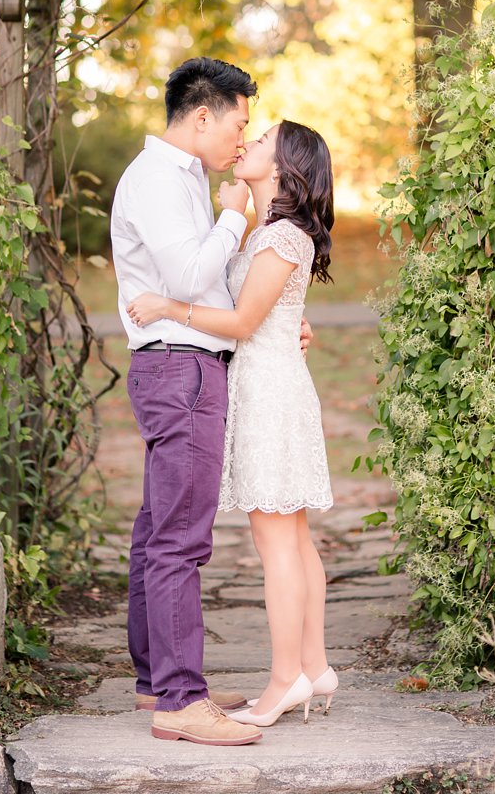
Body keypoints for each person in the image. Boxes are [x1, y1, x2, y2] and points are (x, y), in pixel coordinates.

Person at [129, 120, 338, 728]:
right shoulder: (275, 232)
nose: (247, 141)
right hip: (272, 383)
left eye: (262, 137)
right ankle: (315, 665)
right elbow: (268, 311)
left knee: (277, 544)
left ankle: (283, 681)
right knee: (294, 538)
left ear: (284, 166)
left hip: (270, 393)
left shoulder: (280, 237)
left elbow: (244, 321)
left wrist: (169, 306)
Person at [110, 57, 262, 747]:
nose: (242, 139)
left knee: (156, 527)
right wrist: (234, 218)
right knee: (179, 538)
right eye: (239, 123)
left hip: (177, 367)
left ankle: (156, 678)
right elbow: (189, 276)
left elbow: (202, 284)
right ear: (204, 115)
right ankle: (179, 697)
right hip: (181, 370)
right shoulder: (158, 180)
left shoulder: (181, 177)